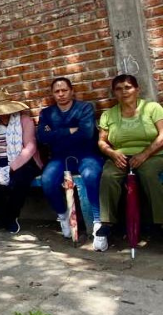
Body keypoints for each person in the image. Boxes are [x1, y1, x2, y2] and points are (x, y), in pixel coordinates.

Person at [95, 74, 163, 251]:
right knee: (109, 176)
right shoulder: (108, 114)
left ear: (137, 89)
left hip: (152, 154)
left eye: (128, 87)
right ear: (114, 93)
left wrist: (145, 154)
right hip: (120, 155)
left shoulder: (152, 108)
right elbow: (101, 141)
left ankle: (160, 222)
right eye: (118, 89)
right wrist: (112, 152)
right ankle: (107, 223)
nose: (124, 92)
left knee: (148, 174)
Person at [37, 77, 103, 238]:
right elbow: (42, 137)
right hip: (60, 157)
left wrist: (55, 133)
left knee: (90, 175)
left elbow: (86, 134)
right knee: (47, 180)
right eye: (57, 91)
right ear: (52, 94)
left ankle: (97, 220)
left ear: (72, 91)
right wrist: (70, 130)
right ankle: (63, 216)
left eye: (64, 90)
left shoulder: (85, 108)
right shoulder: (47, 113)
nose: (61, 94)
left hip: (86, 154)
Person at [0, 89, 43, 234]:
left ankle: (11, 215)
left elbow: (30, 147)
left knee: (20, 181)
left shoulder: (24, 121)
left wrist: (10, 168)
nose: (2, 113)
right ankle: (3, 212)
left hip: (23, 161)